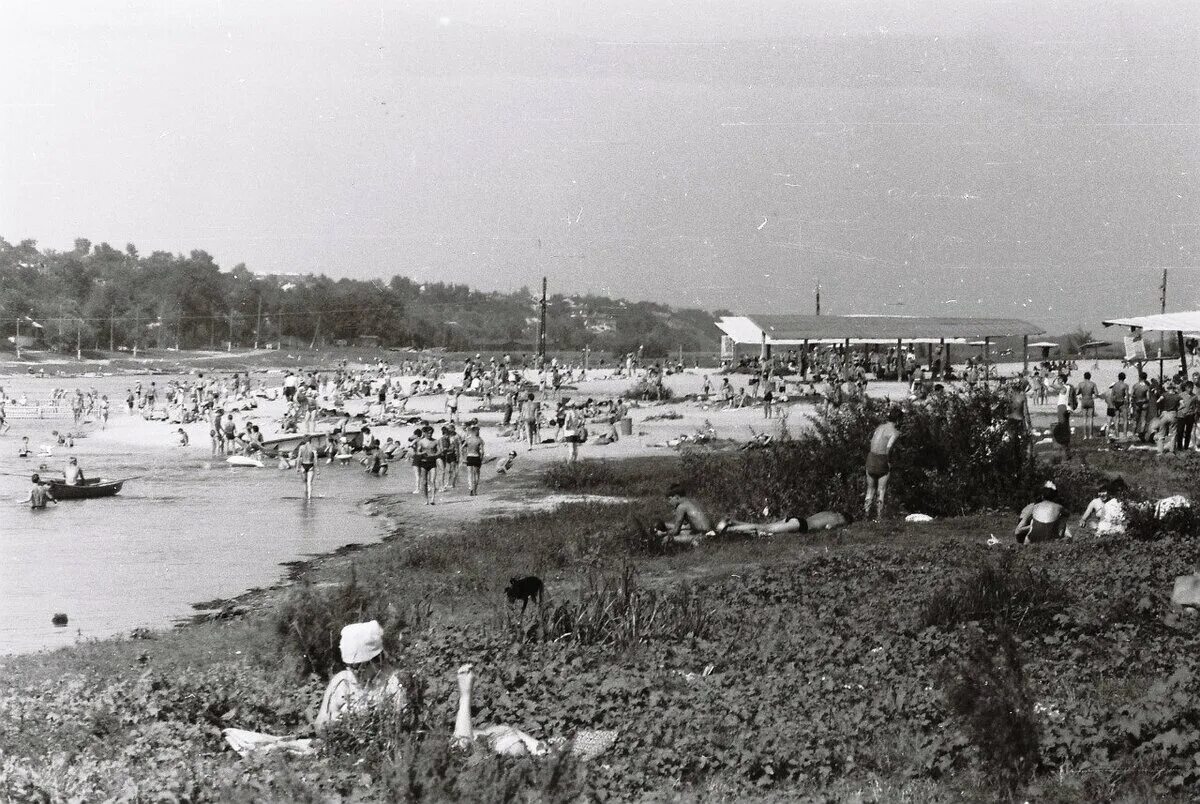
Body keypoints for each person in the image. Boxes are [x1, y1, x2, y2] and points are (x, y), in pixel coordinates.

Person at [222, 620, 406, 758]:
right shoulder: (343, 681)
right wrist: (334, 723)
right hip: (333, 746)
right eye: (349, 665)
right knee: (279, 747)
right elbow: (320, 725)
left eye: (359, 666)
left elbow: (396, 731)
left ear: (376, 659)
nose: (353, 672)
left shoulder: (393, 684)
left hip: (367, 751)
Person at [864, 406, 902, 519]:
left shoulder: (879, 427)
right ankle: (879, 518)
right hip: (882, 458)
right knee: (881, 489)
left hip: (871, 457)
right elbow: (889, 447)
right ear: (899, 420)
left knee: (870, 489)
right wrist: (888, 461)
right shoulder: (895, 432)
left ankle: (866, 515)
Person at [715, 509, 851, 538]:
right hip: (800, 525)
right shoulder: (838, 520)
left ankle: (733, 522)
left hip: (796, 519)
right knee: (765, 529)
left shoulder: (828, 512)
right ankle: (727, 529)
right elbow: (827, 528)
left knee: (764, 528)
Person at [462, 424, 484, 496]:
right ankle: (475, 490)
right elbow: (482, 451)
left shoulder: (468, 439)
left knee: (470, 474)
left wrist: (464, 456)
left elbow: (462, 447)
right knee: (477, 474)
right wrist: (481, 459)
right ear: (476, 431)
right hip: (476, 457)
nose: (479, 432)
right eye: (478, 431)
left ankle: (471, 488)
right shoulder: (479, 440)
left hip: (469, 457)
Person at [1075, 372, 1098, 438]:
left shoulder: (1081, 384)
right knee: (1091, 418)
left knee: (1084, 419)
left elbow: (1077, 393)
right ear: (1090, 377)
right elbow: (1096, 393)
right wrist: (1092, 393)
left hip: (1083, 400)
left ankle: (1085, 435)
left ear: (1084, 377)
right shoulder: (1092, 384)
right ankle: (1090, 435)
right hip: (1090, 400)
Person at [296, 435, 318, 500]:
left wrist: (297, 467)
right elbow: (315, 459)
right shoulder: (313, 447)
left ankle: (305, 496)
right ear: (310, 440)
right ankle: (309, 497)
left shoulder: (301, 447)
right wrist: (318, 469)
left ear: (304, 440)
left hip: (303, 465)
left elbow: (299, 458)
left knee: (304, 483)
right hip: (310, 465)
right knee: (309, 483)